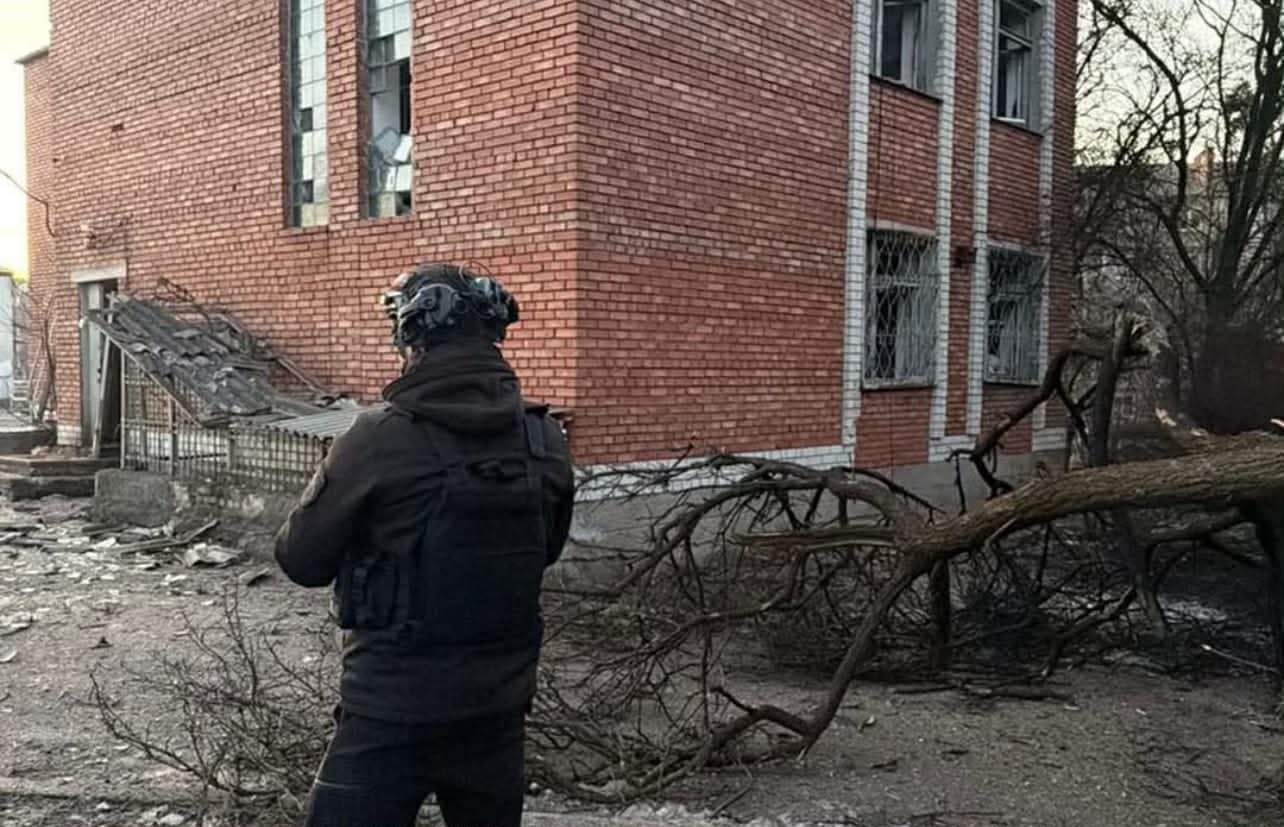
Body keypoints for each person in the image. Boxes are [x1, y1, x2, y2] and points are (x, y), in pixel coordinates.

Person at [274, 263, 575, 827]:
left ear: (411, 337)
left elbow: (301, 560)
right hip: (498, 712)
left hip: (388, 713)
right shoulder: (545, 437)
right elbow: (547, 550)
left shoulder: (378, 437)